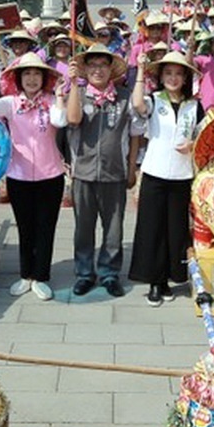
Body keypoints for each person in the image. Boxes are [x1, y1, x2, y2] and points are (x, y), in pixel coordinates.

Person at [0, 52, 67, 302]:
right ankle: (25, 275)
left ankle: (41, 276)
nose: (32, 79)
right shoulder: (11, 103)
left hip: (51, 174)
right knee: (25, 227)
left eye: (36, 74)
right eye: (27, 74)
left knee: (46, 227)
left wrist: (62, 97)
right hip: (18, 175)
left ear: (44, 78)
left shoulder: (52, 101)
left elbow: (61, 120)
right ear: (19, 78)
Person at [129, 50, 202, 307]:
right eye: (168, 73)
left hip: (182, 176)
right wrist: (139, 70)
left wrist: (193, 144)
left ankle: (170, 278)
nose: (173, 78)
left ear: (185, 78)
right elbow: (138, 105)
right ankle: (154, 281)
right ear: (160, 76)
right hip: (155, 173)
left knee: (175, 230)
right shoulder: (154, 99)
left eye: (178, 73)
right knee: (152, 229)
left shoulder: (195, 105)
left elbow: (203, 136)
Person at [66, 43, 135, 298]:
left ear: (110, 69)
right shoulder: (78, 94)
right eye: (92, 65)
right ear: (85, 69)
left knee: (114, 227)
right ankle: (84, 273)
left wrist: (131, 169)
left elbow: (135, 135)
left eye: (102, 65)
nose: (97, 70)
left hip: (114, 172)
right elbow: (72, 120)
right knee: (83, 227)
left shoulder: (124, 97)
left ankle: (109, 273)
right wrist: (73, 84)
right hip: (82, 172)